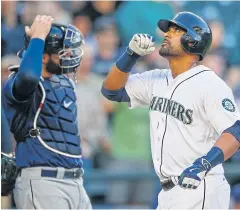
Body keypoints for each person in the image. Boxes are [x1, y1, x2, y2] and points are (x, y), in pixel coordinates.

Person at [101, 11, 240, 209]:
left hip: (200, 187)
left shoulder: (210, 84)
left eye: (176, 31)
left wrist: (205, 164)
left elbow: (235, 130)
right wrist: (130, 55)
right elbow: (111, 91)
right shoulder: (156, 78)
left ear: (192, 40)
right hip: (168, 192)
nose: (166, 34)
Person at [2, 15, 92, 209]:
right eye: (62, 53)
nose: (68, 57)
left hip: (76, 181)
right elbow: (28, 77)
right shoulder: (18, 81)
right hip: (43, 181)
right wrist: (38, 37)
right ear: (43, 57)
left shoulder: (64, 82)